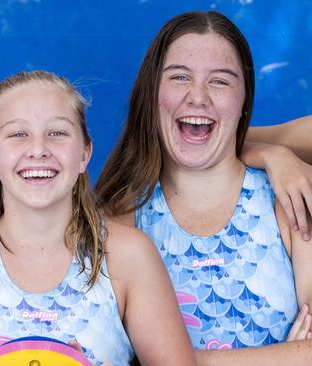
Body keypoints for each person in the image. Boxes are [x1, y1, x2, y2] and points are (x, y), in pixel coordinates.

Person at [0, 70, 197, 365]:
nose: (38, 149)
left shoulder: (130, 256)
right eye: (18, 134)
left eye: (57, 133)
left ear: (85, 154)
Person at [95, 11, 312, 364]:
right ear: (152, 95)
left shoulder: (290, 200)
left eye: (221, 81)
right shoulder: (119, 222)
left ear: (244, 102)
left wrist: (188, 361)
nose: (198, 96)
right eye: (179, 77)